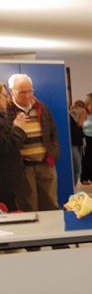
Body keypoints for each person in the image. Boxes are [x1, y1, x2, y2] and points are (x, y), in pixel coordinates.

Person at [6, 74, 60, 211]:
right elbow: (8, 141)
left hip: (45, 164)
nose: (27, 95)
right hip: (24, 168)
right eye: (22, 92)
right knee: (29, 207)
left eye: (30, 91)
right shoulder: (7, 111)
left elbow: (53, 132)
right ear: (12, 91)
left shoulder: (42, 107)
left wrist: (53, 152)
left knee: (51, 205)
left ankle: (52, 232)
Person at [0, 82, 30, 211]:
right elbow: (7, 147)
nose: (7, 99)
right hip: (5, 186)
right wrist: (18, 128)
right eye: (4, 95)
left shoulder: (4, 117)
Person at [68, 100, 87, 186]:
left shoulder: (75, 117)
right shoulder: (70, 117)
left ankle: (73, 188)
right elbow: (72, 132)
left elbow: (80, 131)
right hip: (72, 144)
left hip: (78, 143)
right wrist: (81, 122)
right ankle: (72, 188)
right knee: (77, 169)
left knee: (78, 169)